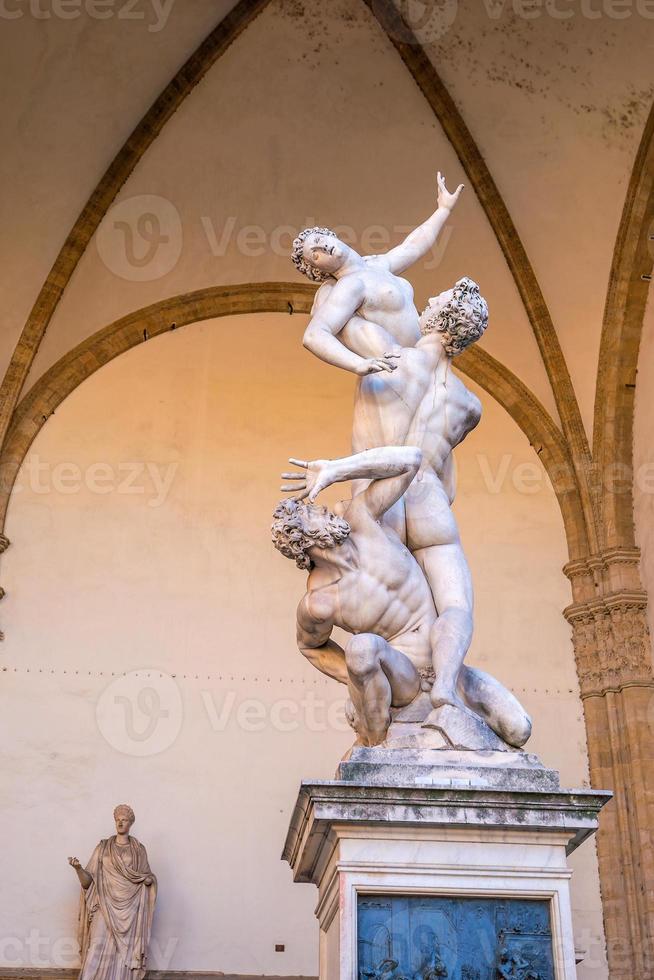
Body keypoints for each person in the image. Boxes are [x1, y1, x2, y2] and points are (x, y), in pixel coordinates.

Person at [272, 446, 530, 748]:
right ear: (302, 538)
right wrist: (356, 681)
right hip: (403, 676)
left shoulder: (362, 518)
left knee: (518, 729)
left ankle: (445, 691)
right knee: (362, 648)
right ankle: (376, 744)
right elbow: (310, 646)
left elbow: (411, 460)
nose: (324, 508)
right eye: (313, 512)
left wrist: (335, 470)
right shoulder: (320, 602)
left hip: (451, 665)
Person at [68, 805, 156, 980]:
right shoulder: (102, 848)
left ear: (130, 823)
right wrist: (78, 869)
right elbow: (88, 883)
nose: (120, 822)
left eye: (124, 819)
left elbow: (147, 876)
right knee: (96, 946)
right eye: (118, 819)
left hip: (129, 909)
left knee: (124, 953)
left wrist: (148, 881)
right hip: (104, 904)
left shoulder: (139, 849)